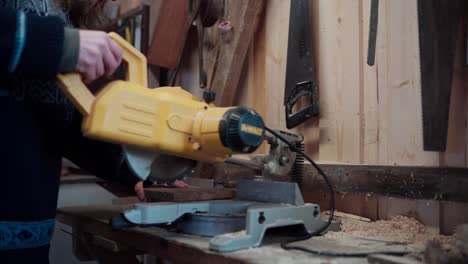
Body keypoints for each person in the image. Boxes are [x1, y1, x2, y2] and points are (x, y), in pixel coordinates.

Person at [0, 1, 147, 263]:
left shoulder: (57, 10)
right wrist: (62, 44)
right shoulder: (53, 29)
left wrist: (134, 167)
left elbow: (58, 116)